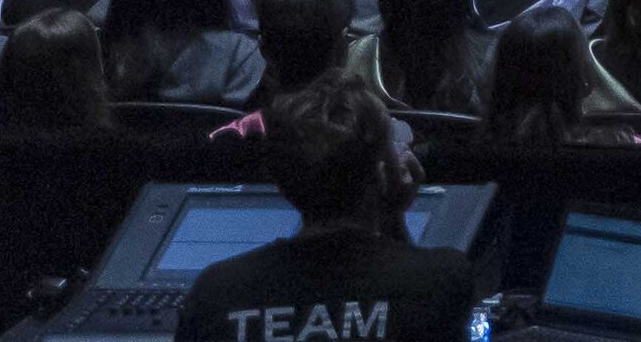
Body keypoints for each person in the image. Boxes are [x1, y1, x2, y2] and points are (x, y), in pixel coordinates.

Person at [173, 73, 476, 342]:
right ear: (383, 173)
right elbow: (403, 282)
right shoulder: (442, 279)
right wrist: (393, 213)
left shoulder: (217, 294)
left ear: (282, 181)